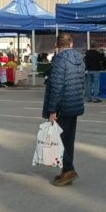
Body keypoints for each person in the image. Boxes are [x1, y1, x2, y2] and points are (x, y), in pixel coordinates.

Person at [42, 33, 85, 186]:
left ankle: (69, 169)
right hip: (74, 103)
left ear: (57, 45)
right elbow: (82, 82)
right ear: (71, 44)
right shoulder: (79, 59)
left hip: (62, 106)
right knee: (68, 139)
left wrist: (52, 110)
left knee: (58, 140)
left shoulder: (59, 61)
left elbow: (57, 87)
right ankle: (66, 171)